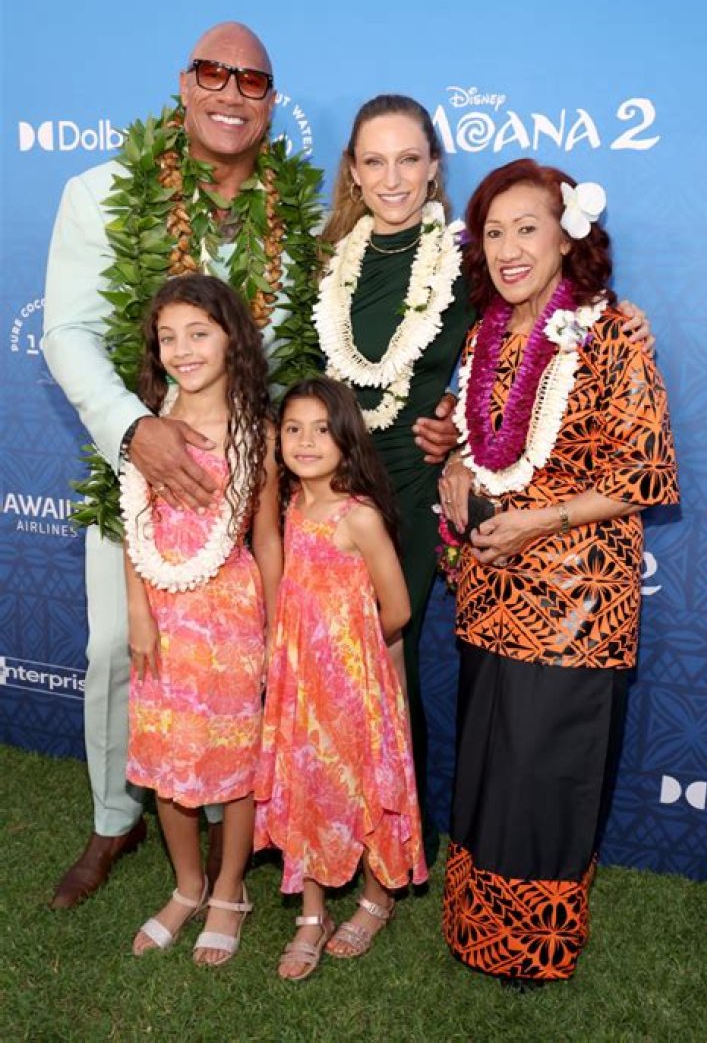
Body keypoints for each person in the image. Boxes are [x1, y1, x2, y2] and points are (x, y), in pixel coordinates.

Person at [313, 94, 654, 867]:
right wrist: (458, 449)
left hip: (494, 545)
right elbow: (469, 407)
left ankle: (405, 863)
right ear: (352, 172)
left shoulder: (483, 272)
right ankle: (339, 843)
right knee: (352, 678)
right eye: (374, 160)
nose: (392, 177)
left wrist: (615, 310)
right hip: (384, 519)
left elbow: (635, 462)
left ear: (434, 167)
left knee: (414, 678)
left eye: (408, 159)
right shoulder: (343, 270)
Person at [41, 21, 322, 908]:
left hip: (251, 479)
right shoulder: (102, 192)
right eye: (212, 72)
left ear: (270, 102)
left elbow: (323, 340)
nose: (230, 92)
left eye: (251, 80)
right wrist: (136, 432)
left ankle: (249, 808)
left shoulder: (303, 214)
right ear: (183, 83)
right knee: (118, 649)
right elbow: (67, 332)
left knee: (244, 660)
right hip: (140, 475)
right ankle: (114, 815)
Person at [439, 159, 679, 987]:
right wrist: (457, 470)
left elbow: (645, 473)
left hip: (576, 604)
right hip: (490, 591)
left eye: (527, 228)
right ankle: (475, 927)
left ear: (568, 237)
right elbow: (477, 443)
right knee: (491, 768)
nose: (509, 249)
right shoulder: (486, 334)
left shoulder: (612, 332)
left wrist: (538, 522)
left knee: (543, 775)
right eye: (493, 232)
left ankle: (530, 948)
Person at [123, 274, 281, 965]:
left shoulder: (256, 432)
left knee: (235, 761)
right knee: (167, 758)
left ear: (231, 339)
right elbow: (133, 525)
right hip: (161, 613)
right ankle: (187, 886)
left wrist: (275, 628)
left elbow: (266, 537)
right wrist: (138, 610)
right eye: (168, 338)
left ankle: (228, 890)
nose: (182, 350)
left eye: (198, 333)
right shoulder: (147, 426)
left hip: (230, 616)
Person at [254, 377, 427, 981]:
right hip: (301, 688)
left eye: (321, 430)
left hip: (356, 689)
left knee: (367, 784)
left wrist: (348, 657)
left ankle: (377, 899)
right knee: (307, 784)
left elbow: (397, 609)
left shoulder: (360, 517)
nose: (305, 442)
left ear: (347, 438)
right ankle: (311, 913)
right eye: (293, 429)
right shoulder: (293, 506)